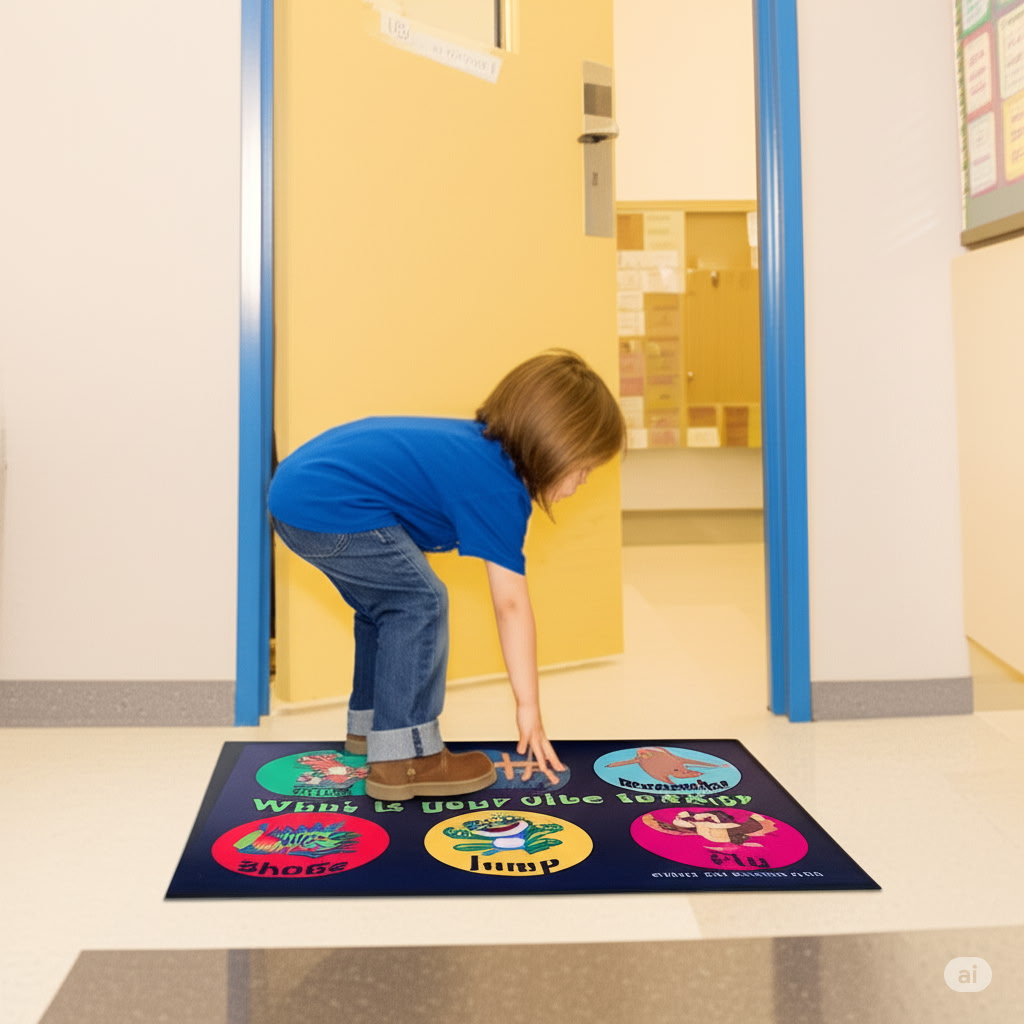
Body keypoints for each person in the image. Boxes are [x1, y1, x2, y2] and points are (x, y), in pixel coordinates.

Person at [268, 350, 625, 800]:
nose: (583, 482)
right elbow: (511, 605)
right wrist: (529, 707)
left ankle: (371, 731)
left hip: (300, 498)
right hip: (326, 504)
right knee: (420, 602)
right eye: (585, 468)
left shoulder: (475, 453)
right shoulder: (497, 486)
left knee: (386, 606)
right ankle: (406, 759)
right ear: (555, 446)